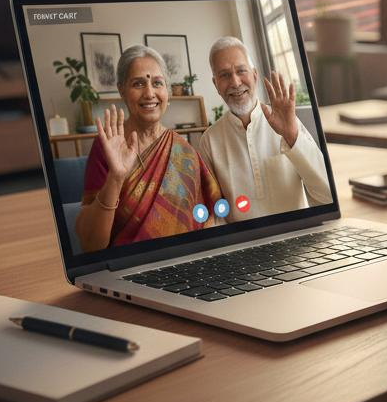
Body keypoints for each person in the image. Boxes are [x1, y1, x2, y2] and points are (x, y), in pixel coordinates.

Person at [75, 45, 222, 252]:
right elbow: (90, 245)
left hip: (186, 264)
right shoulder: (107, 147)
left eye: (157, 83)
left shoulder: (184, 151)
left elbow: (210, 218)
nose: (150, 93)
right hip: (129, 268)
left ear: (167, 91)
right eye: (138, 84)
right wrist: (116, 178)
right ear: (122, 90)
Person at [197, 36, 332, 220]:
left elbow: (327, 197)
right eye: (225, 75)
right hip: (241, 245)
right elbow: (214, 215)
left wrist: (292, 137)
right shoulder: (209, 141)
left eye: (241, 71)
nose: (235, 82)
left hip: (297, 239)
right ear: (216, 85)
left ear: (254, 75)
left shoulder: (288, 124)